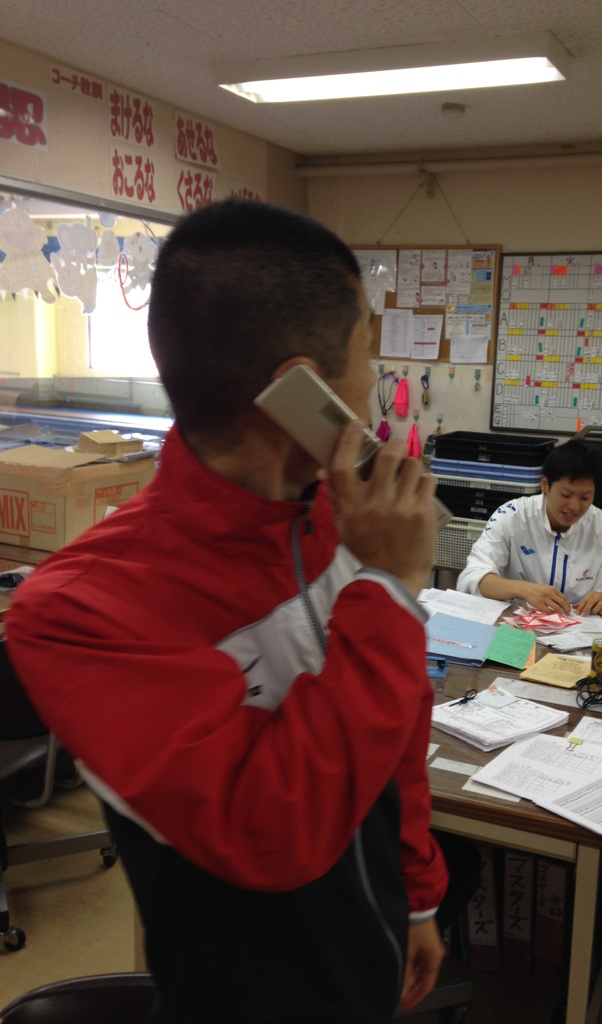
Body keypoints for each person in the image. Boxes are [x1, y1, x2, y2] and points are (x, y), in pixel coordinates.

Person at [5, 200, 451, 1023]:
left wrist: (417, 890)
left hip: (374, 947)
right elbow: (270, 828)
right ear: (300, 388)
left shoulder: (342, 518)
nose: (374, 388)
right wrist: (389, 588)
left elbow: (398, 720)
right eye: (367, 356)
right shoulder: (81, 608)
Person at [457, 439, 602, 616]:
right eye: (566, 495)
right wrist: (524, 589)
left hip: (580, 628)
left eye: (585, 497)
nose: (574, 506)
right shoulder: (512, 516)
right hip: (514, 625)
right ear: (545, 484)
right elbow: (471, 578)